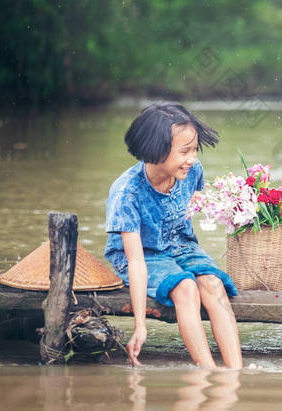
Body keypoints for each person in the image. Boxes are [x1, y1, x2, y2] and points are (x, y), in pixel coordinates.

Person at [104, 103, 242, 368]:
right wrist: (140, 325)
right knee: (185, 287)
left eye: (194, 150)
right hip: (143, 255)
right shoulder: (127, 193)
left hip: (181, 245)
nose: (192, 158)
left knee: (213, 284)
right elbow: (136, 262)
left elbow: (193, 206)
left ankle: (235, 371)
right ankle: (208, 371)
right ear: (156, 151)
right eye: (184, 151)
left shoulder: (192, 171)